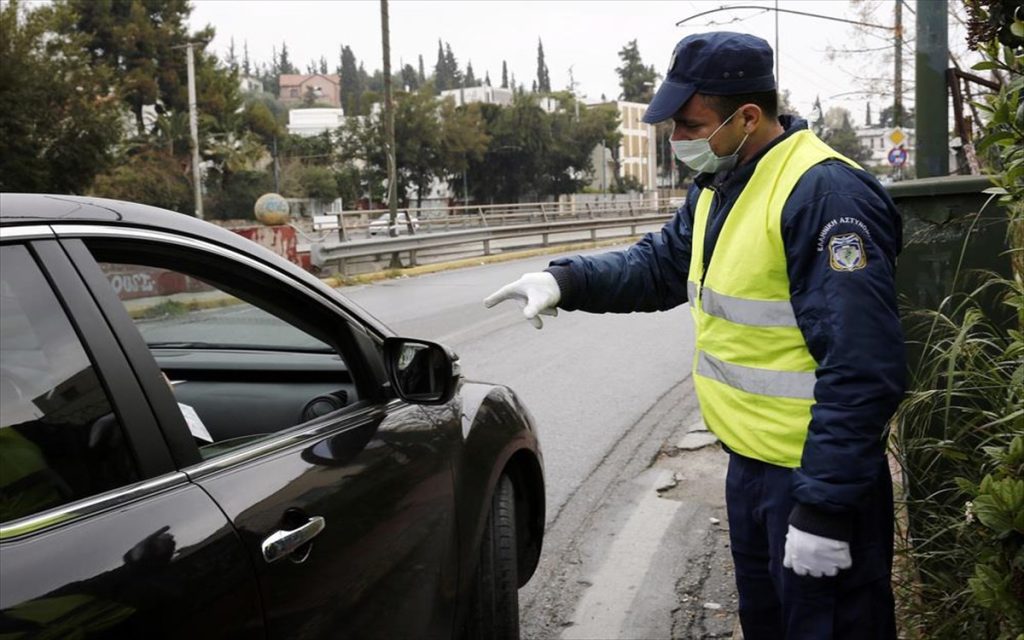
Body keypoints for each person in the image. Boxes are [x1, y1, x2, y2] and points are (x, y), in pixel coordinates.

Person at [483, 32, 906, 640]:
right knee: (768, 625)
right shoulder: (722, 185)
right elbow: (660, 265)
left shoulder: (825, 195)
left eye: (689, 123)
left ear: (748, 117)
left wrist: (824, 507)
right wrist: (566, 281)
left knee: (831, 627)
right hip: (753, 471)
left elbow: (864, 365)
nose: (678, 140)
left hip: (813, 479)